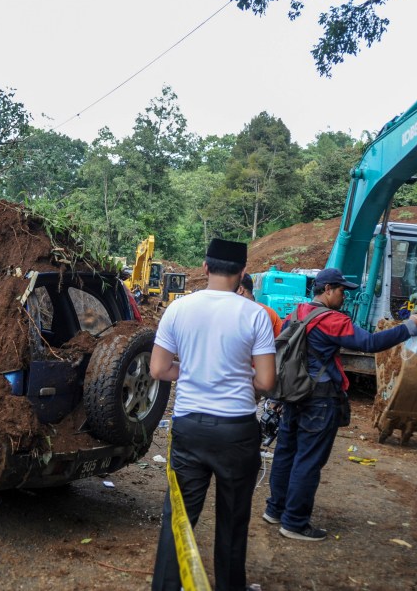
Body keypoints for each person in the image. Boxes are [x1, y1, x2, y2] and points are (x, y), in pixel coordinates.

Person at [149, 238, 276, 591]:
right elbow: (266, 381)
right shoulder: (255, 315)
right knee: (233, 523)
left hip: (190, 428)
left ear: (205, 268)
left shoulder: (178, 309)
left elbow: (158, 369)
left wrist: (191, 370)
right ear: (243, 272)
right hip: (237, 432)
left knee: (178, 519)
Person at [264, 268, 417, 541]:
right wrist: (410, 326)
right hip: (319, 399)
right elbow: (370, 343)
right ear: (327, 289)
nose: (345, 296)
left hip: (293, 394)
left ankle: (275, 510)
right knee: (308, 460)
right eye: (341, 290)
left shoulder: (298, 312)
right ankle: (294, 523)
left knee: (286, 453)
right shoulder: (332, 320)